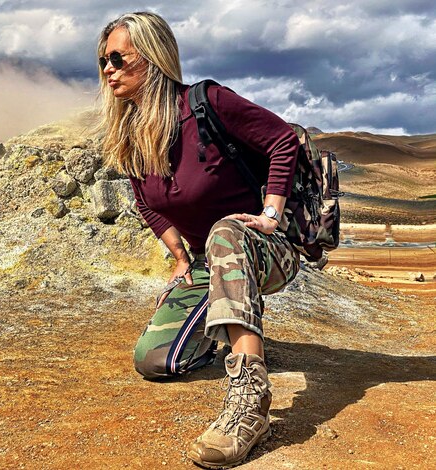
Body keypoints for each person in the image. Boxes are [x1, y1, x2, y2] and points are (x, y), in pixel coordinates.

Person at [97, 11, 301, 468]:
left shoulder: (208, 102)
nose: (107, 68)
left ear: (151, 57)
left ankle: (249, 403)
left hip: (265, 248)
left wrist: (271, 213)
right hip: (211, 262)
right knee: (154, 362)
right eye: (101, 60)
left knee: (226, 230)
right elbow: (148, 204)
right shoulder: (132, 135)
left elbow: (282, 141)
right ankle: (227, 326)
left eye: (117, 57)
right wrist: (179, 258)